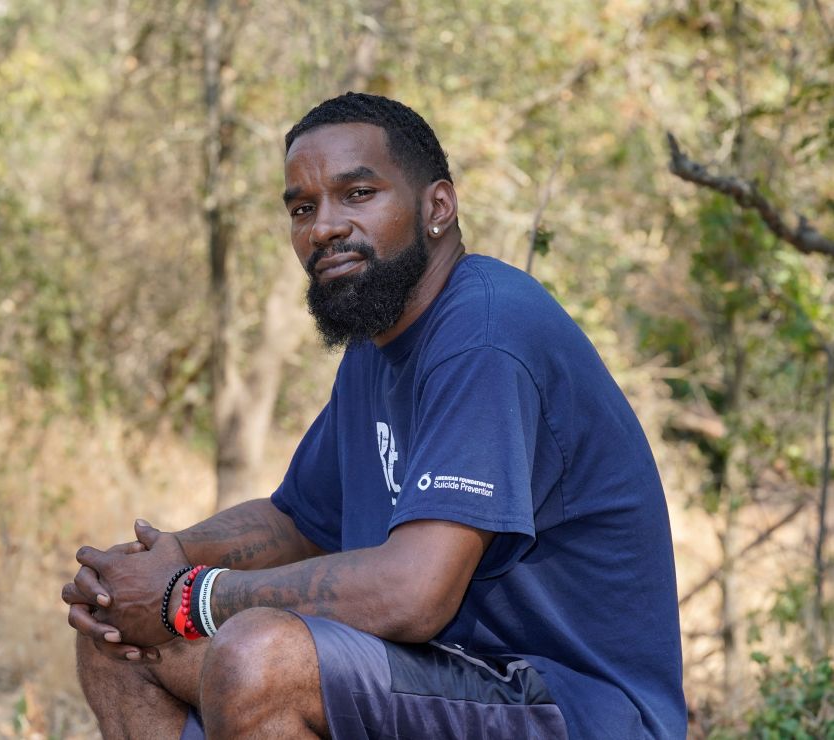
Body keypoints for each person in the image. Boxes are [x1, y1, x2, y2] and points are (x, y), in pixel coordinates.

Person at [62, 92, 686, 740]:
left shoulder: (485, 335)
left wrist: (185, 598)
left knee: (258, 658)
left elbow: (414, 593)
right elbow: (299, 520)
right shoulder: (377, 348)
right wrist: (151, 568)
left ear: (437, 207)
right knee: (113, 632)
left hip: (576, 709)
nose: (324, 226)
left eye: (357, 194)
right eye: (303, 208)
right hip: (449, 683)